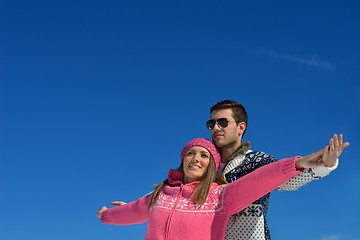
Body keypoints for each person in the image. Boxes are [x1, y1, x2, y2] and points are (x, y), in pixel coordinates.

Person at [96, 137, 344, 240]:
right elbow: (132, 212)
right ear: (183, 159)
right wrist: (106, 214)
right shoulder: (161, 194)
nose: (196, 158)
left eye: (204, 155)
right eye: (190, 153)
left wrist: (298, 163)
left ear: (212, 167)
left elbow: (261, 178)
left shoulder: (220, 196)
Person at [205, 100, 350, 240]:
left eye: (222, 122)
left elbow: (285, 180)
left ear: (241, 127)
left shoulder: (257, 160)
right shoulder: (203, 165)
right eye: (211, 124)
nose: (216, 128)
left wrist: (325, 165)